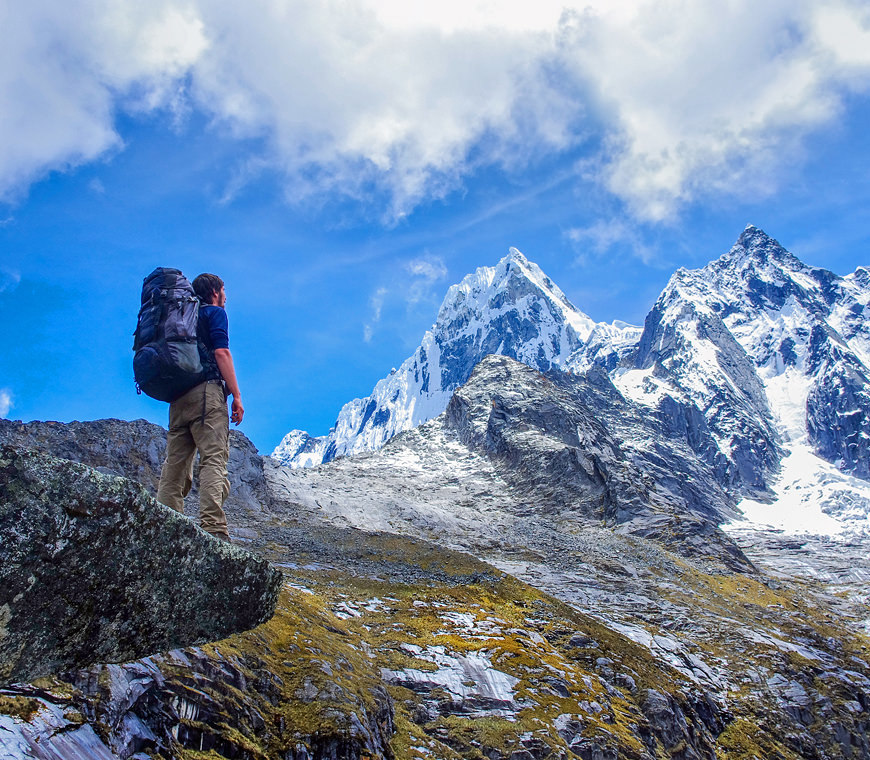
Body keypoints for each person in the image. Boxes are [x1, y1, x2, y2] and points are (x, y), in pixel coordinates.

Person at [156, 273, 244, 542]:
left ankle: (164, 526)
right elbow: (221, 353)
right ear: (215, 291)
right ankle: (213, 527)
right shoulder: (214, 313)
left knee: (175, 463)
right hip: (206, 394)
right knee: (213, 458)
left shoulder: (182, 317)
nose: (226, 296)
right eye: (224, 289)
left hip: (178, 398)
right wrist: (236, 395)